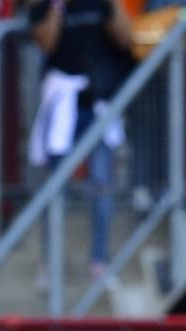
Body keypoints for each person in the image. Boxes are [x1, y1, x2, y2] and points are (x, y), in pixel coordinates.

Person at [27, 0, 134, 282]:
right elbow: (46, 43)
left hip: (97, 101)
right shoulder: (45, 5)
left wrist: (112, 6)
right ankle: (48, 262)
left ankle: (100, 260)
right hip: (63, 100)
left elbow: (127, 38)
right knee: (55, 186)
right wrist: (57, 7)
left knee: (102, 183)